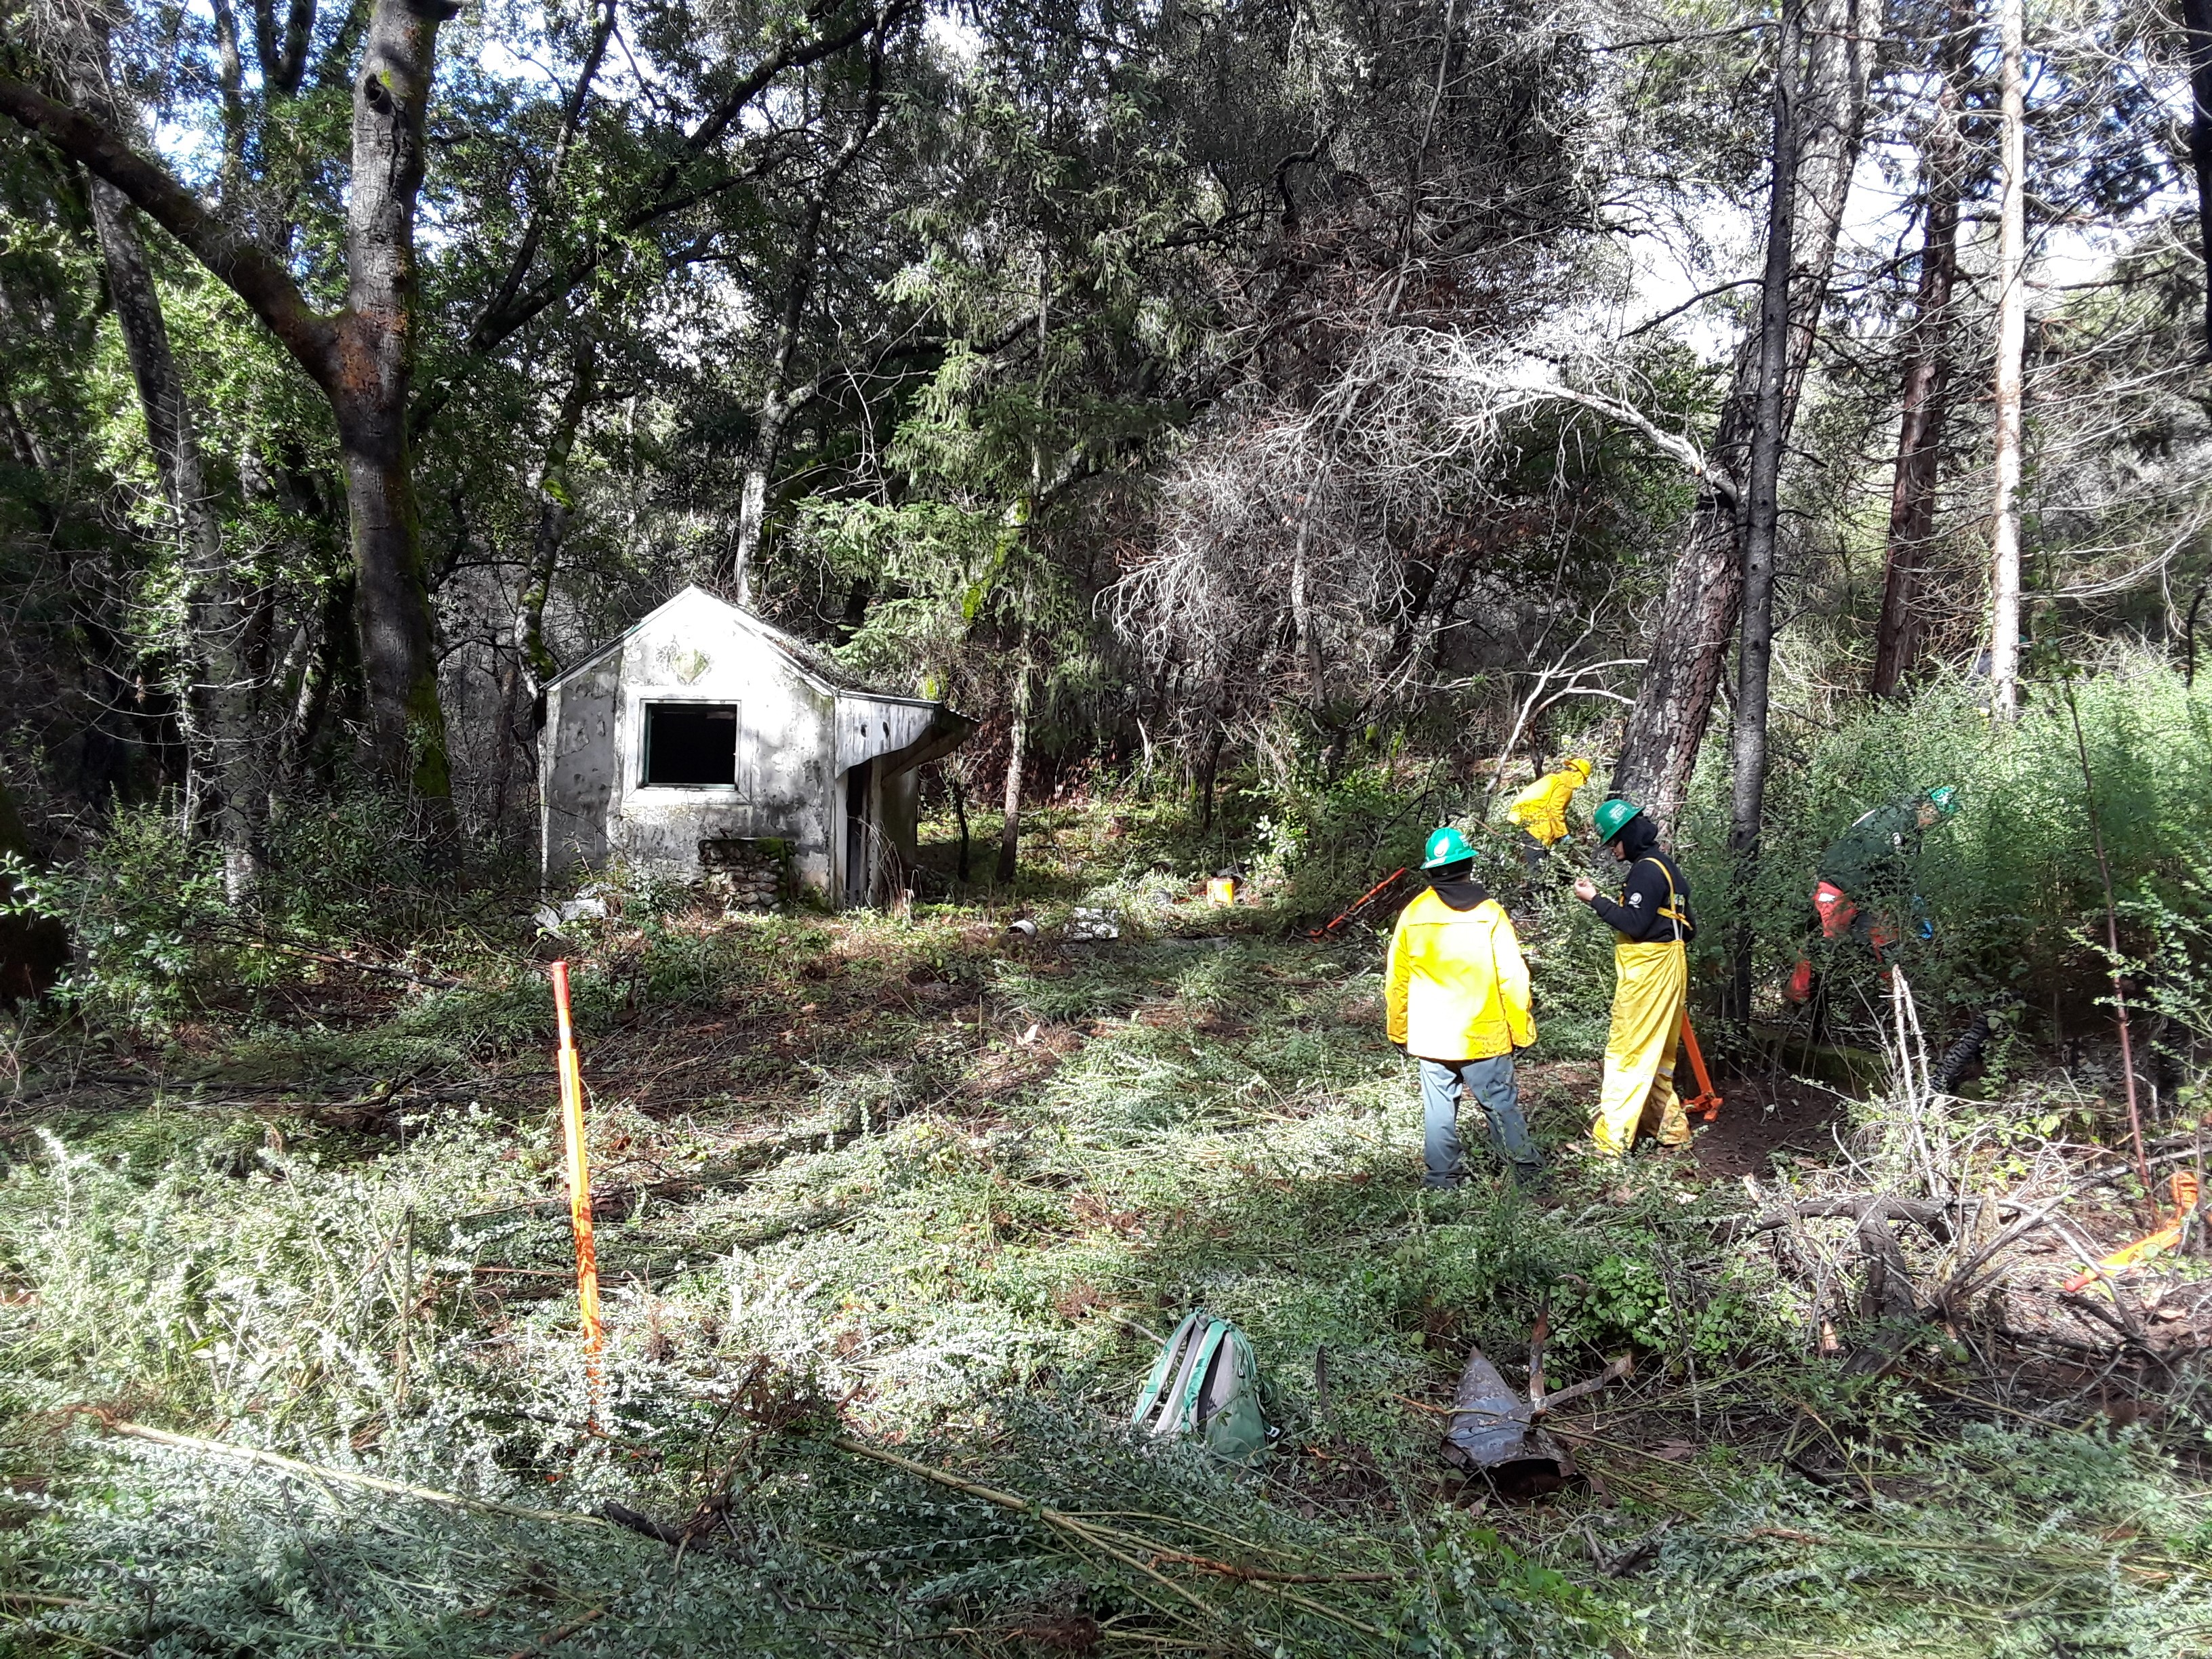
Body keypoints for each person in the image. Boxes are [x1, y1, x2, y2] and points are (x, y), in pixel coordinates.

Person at [1385, 825, 1543, 1188]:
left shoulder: (1413, 913)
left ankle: (1441, 1180)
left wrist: (1399, 1029)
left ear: (1430, 871)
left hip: (1431, 1037)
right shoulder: (1490, 913)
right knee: (1500, 1106)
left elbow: (1398, 980)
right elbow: (1513, 977)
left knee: (1439, 1110)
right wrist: (1520, 1030)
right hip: (1483, 1034)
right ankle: (1529, 1177)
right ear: (1469, 864)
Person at [1572, 798, 1696, 1160]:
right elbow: (1689, 928)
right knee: (1658, 1054)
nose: (1613, 849)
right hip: (1670, 965)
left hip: (1649, 973)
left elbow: (1634, 923)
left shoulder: (1646, 869)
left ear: (1628, 834)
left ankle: (1611, 1141)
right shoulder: (1666, 866)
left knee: (1629, 1051)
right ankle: (1670, 1128)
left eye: (1614, 840)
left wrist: (1595, 899)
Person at [1786, 784, 1959, 1004]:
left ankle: (1897, 1001)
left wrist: (1913, 900)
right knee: (1825, 943)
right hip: (1840, 884)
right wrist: (1908, 897)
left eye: (1939, 819)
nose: (1933, 822)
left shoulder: (1911, 831)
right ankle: (1799, 998)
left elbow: (1902, 870)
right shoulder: (1892, 821)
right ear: (1924, 806)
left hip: (1868, 892)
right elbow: (1888, 864)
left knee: (1886, 941)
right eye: (1933, 815)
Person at [1504, 756, 1595, 876]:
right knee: (1538, 866)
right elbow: (1555, 810)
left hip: (1524, 821)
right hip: (1536, 827)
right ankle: (1536, 891)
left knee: (1537, 861)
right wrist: (1564, 834)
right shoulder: (1564, 786)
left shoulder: (1554, 778)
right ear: (1579, 777)